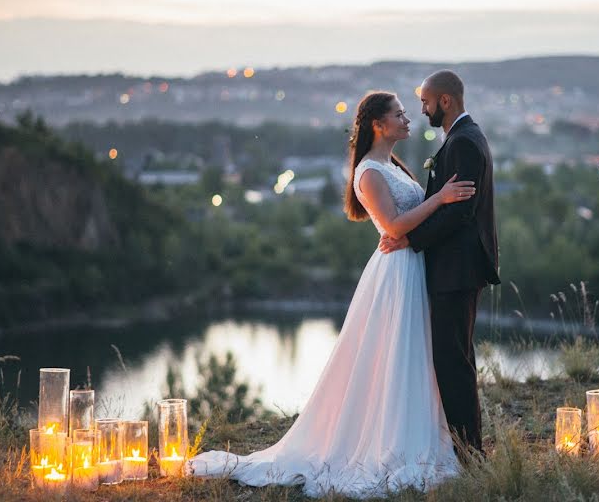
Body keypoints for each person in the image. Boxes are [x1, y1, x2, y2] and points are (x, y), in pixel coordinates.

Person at [188, 91, 475, 498]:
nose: (408, 119)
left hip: (411, 266)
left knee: (413, 354)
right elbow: (394, 228)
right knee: (396, 353)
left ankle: (415, 431)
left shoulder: (391, 165)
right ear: (379, 124)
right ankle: (388, 443)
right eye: (399, 114)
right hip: (395, 273)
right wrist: (441, 199)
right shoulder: (369, 173)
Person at [379, 70, 500, 458]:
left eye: (426, 102)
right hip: (455, 269)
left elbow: (458, 215)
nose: (422, 109)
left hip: (456, 270)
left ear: (445, 101)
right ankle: (467, 450)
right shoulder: (463, 138)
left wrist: (408, 239)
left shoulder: (463, 142)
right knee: (455, 358)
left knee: (453, 363)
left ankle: (469, 454)